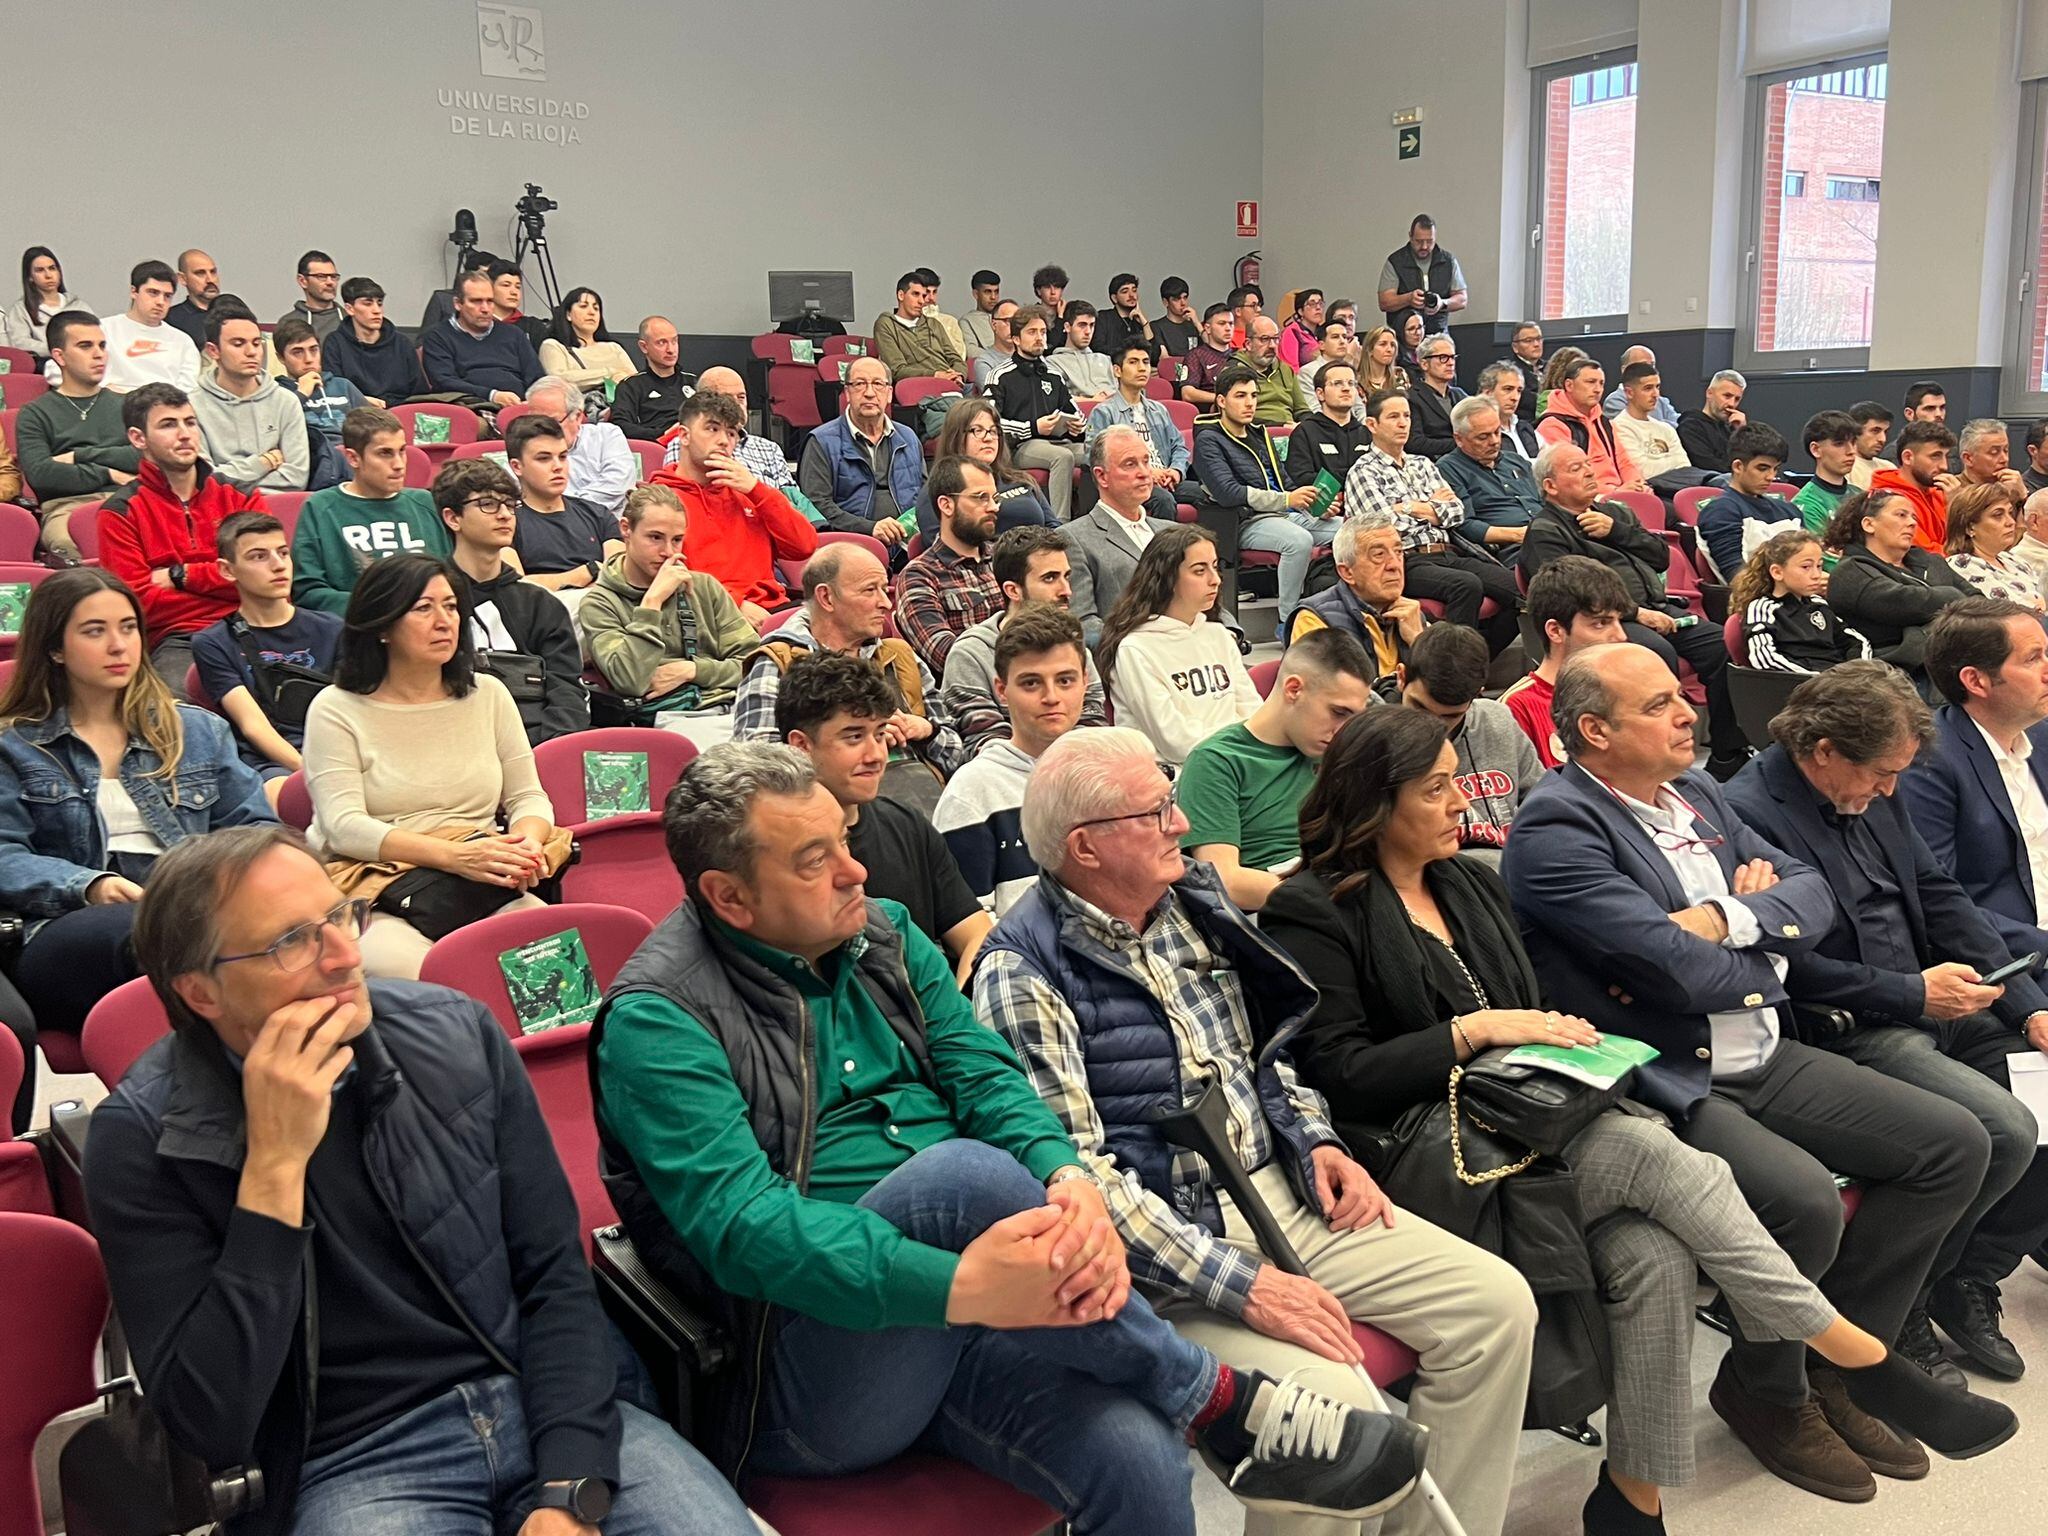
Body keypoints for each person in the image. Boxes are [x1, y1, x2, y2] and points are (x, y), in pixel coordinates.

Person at [596, 742, 1431, 1533]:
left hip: (975, 1322)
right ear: (729, 897)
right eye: (814, 862)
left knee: (1138, 1459)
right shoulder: (658, 1020)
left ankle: (1193, 1405)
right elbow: (747, 1231)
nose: (855, 870)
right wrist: (962, 1287)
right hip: (802, 1367)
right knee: (963, 1176)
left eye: (845, 840)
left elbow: (985, 1075)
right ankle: (1213, 1401)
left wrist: (1066, 1182)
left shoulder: (881, 932)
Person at [1269, 702, 2016, 1531]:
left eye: (1457, 786)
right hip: (1437, 1154)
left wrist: (1553, 1033)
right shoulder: (1313, 908)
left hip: (1538, 1120)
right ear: (1375, 799)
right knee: (1672, 1162)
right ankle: (1848, 1349)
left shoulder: (1464, 882)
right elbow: (1338, 1074)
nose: (1463, 806)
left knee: (1656, 1257)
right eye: (1438, 790)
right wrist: (1472, 1033)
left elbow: (1544, 1002)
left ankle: (1632, 1499)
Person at [86, 823, 757, 1536]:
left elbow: (554, 1279)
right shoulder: (140, 1139)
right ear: (201, 993)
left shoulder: (458, 1036)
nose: (347, 956)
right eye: (292, 942)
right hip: (354, 1461)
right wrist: (273, 1171)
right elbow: (209, 1419)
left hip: (540, 1403)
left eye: (341, 917)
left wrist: (570, 1484)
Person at [980, 726, 1532, 1536]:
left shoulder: (1192, 905)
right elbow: (1077, 1182)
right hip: (1169, 1252)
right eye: (1156, 810)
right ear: (1086, 848)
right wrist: (1248, 1287)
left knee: (1496, 1308)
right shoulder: (1022, 972)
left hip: (1277, 1186)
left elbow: (1264, 1061)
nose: (1180, 823)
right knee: (1331, 1417)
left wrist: (1319, 1142)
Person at [1504, 643, 2014, 1501]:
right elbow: (1679, 973)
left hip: (1767, 1049)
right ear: (1593, 730)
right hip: (1676, 1076)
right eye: (1660, 704)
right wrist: (1761, 939)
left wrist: (1720, 919)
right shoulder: (1557, 828)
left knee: (1957, 1145)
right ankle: (1768, 1390)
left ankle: (1838, 1370)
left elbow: (1810, 897)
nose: (1687, 714)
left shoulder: (1696, 793)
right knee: (1805, 1199)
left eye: (1681, 697)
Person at [1726, 662, 2048, 1386]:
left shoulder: (1873, 787)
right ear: (1824, 751)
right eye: (1881, 774)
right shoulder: (1745, 812)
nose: (1891, 791)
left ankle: (1962, 1278)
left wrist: (2027, 1004)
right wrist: (1911, 994)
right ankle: (1888, 1311)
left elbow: (1939, 897)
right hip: (1853, 1021)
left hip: (1937, 997)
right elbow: (1790, 966)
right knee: (2003, 1128)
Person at [0, 566, 272, 1126]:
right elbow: (4, 855)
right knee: (149, 929)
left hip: (193, 905)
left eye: (127, 626)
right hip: (64, 928)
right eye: (94, 631)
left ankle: (225, 1107)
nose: (119, 644)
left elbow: (256, 830)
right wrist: (88, 884)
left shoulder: (195, 729)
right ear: (54, 648)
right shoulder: (15, 746)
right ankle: (217, 1108)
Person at [302, 555, 556, 978]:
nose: (445, 622)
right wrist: (454, 856)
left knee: (549, 961)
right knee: (428, 978)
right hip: (380, 888)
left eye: (452, 606)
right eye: (424, 608)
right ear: (382, 626)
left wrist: (526, 844)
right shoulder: (335, 709)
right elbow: (342, 826)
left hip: (481, 878)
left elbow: (527, 796)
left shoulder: (488, 694)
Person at [1523, 441, 1746, 777]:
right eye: (1575, 468)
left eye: (1587, 463)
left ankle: (1727, 755)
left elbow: (1660, 556)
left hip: (1660, 607)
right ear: (1550, 486)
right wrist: (1634, 614)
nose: (1588, 471)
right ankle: (1656, 754)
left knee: (1721, 643)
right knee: (1654, 653)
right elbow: (1565, 596)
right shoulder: (1545, 531)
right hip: (1608, 620)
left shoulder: (1614, 513)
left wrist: (1617, 532)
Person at [771, 652, 992, 981]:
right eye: (854, 736)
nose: (876, 755)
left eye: (879, 734)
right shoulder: (772, 853)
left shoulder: (906, 824)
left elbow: (976, 935)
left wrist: (952, 1007)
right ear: (801, 746)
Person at [1179, 628, 1372, 912]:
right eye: (1338, 712)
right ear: (1294, 689)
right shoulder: (1216, 761)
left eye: (1353, 717)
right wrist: (1332, 902)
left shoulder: (1340, 751)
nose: (1343, 729)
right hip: (1276, 916)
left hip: (1345, 894)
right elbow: (1224, 881)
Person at [732, 542, 967, 775]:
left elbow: (959, 754)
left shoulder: (900, 655)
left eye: (884, 590)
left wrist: (927, 731)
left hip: (919, 798)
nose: (886, 603)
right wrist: (851, 746)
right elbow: (757, 769)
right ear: (826, 597)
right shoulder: (778, 662)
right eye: (869, 590)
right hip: (826, 806)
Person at [1902, 599, 2048, 967]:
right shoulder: (1929, 762)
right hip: (2017, 958)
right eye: (2033, 659)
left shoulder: (2042, 736)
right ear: (1976, 680)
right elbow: (1943, 904)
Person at [933, 605, 1090, 916]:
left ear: (1086, 681)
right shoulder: (972, 791)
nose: (1051, 697)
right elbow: (968, 923)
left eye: (1065, 680)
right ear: (1001, 690)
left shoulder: (1111, 771)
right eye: (1031, 683)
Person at [99, 383, 258, 687]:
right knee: (180, 716)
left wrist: (181, 576)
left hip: (256, 625)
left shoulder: (241, 496)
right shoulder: (119, 512)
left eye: (190, 422)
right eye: (168, 425)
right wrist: (231, 583)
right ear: (138, 438)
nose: (185, 434)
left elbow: (267, 578)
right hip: (179, 639)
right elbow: (138, 604)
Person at [1344, 388, 1518, 653]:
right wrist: (1433, 507)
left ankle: (1478, 660)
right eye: (1393, 417)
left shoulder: (1422, 464)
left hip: (1448, 552)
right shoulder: (1362, 471)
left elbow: (1457, 512)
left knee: (1519, 588)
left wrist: (1410, 507)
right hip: (1406, 560)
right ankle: (1451, 673)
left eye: (1406, 415)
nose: (1403, 423)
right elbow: (1384, 528)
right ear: (1372, 424)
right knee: (1466, 585)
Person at [193, 512, 347, 803]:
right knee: (286, 796)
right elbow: (254, 726)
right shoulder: (213, 643)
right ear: (228, 570)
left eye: (283, 553)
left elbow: (356, 706)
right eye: (258, 557)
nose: (278, 565)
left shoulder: (332, 628)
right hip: (271, 763)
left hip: (338, 749)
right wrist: (313, 774)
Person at [433, 458, 590, 741]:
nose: (505, 514)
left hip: (532, 744)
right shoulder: (427, 599)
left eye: (510, 504)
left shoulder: (541, 605)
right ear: (453, 518)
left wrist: (548, 754)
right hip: (448, 739)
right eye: (488, 504)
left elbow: (566, 692)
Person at [578, 481, 759, 714]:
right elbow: (630, 679)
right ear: (626, 529)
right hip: (666, 719)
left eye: (677, 540)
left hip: (733, 706)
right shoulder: (599, 603)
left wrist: (691, 670)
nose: (669, 552)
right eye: (655, 537)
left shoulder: (705, 586)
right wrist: (652, 602)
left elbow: (753, 665)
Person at [650, 389, 817, 625]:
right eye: (712, 428)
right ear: (684, 436)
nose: (723, 441)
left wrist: (756, 489)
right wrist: (734, 603)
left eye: (731, 433)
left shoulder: (750, 491)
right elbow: (663, 574)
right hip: (705, 615)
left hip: (773, 608)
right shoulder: (659, 499)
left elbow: (804, 545)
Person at [1098, 528, 1258, 765]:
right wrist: (1241, 753)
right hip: (1175, 777)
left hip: (1238, 763)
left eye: (1215, 566)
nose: (1215, 579)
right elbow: (1176, 743)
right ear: (1168, 578)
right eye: (1200, 570)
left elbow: (1254, 712)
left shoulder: (1219, 635)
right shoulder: (1135, 648)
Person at [942, 525, 1108, 752]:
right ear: (1013, 590)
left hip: (1077, 771)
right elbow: (983, 743)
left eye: (1066, 577)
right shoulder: (970, 654)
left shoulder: (1071, 644)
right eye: (1050, 578)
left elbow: (1093, 723)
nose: (1066, 590)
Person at [1395, 622, 1544, 862]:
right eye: (1420, 707)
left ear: (1477, 694)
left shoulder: (1498, 719)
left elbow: (1544, 804)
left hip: (1515, 870)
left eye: (1450, 716)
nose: (1433, 726)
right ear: (1401, 677)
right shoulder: (1375, 737)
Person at [1197, 365, 1331, 625]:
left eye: (1254, 396)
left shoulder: (1261, 435)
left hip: (1284, 515)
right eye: (1241, 396)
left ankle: (1330, 606)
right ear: (1222, 401)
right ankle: (1290, 622)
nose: (1250, 403)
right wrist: (1287, 500)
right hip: (1245, 521)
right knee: (1299, 541)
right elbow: (1228, 493)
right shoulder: (1209, 440)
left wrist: (1314, 506)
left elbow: (1285, 482)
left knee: (1349, 531)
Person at [292, 407, 452, 615]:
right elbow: (307, 592)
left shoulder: (425, 502)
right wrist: (386, 608)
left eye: (402, 451)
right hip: (359, 630)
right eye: (385, 453)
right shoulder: (321, 508)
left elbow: (452, 575)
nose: (398, 464)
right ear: (353, 458)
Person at [15, 311, 141, 554]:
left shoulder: (127, 404)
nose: (98, 354)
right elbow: (42, 474)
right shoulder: (34, 413)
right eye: (85, 346)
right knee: (71, 543)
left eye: (102, 346)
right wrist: (109, 473)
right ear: (59, 356)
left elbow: (143, 458)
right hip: (67, 507)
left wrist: (77, 456)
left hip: (130, 500)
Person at [1499, 555, 1633, 769]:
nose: (1620, 636)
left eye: (1619, 621)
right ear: (1556, 631)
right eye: (1600, 623)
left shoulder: (1623, 691)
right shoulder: (1516, 707)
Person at [1819, 489, 1972, 674]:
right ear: (1869, 524)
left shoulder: (1931, 561)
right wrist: (1954, 596)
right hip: (1895, 675)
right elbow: (1909, 604)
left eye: (1913, 517)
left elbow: (1977, 599)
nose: (1912, 523)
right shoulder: (1850, 573)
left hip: (1951, 663)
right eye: (1901, 515)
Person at [1066, 427, 1187, 646]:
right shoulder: (1073, 538)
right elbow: (1083, 624)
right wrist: (1141, 650)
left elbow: (1205, 592)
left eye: (1146, 461)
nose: (1144, 472)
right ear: (1101, 476)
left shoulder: (1171, 531)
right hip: (1131, 660)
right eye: (1130, 464)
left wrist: (1228, 632)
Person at [1283, 511, 1425, 690]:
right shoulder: (1316, 619)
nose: (1394, 565)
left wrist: (1419, 641)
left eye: (1398, 552)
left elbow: (1444, 693)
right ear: (1347, 572)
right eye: (1379, 555)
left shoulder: (1411, 613)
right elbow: (1328, 701)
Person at [893, 454, 1004, 674]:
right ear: (946, 505)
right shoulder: (919, 576)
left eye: (995, 498)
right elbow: (949, 657)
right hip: (970, 698)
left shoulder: (1006, 559)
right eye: (981, 497)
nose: (993, 507)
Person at [800, 354, 923, 542]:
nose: (869, 393)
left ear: (889, 393)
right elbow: (817, 506)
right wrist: (869, 528)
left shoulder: (908, 438)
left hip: (907, 545)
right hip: (850, 546)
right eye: (859, 384)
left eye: (877, 384)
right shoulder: (821, 441)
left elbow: (925, 496)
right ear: (847, 393)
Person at [987, 306, 1088, 523]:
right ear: (1015, 338)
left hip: (1059, 440)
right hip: (1021, 446)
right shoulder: (1000, 375)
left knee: (1097, 452)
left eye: (1042, 332)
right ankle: (1061, 524)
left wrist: (1078, 426)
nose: (1039, 338)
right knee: (1063, 457)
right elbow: (990, 424)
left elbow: (1075, 411)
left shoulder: (1053, 374)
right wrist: (1033, 427)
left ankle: (1092, 517)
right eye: (1032, 332)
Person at [193, 308, 310, 493]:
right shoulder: (192, 407)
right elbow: (204, 479)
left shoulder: (286, 401)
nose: (251, 352)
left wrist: (232, 485)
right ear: (214, 350)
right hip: (218, 512)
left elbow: (296, 477)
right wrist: (263, 463)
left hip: (274, 510)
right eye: (238, 344)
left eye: (256, 343)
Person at [1733, 529, 1870, 674]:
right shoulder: (1762, 608)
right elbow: (1765, 658)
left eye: (1819, 566)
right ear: (1777, 572)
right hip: (1800, 685)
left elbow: (1855, 641)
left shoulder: (1819, 604)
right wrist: (1819, 679)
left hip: (1839, 679)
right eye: (1806, 567)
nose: (1816, 575)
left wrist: (1858, 671)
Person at [917, 395, 1055, 538]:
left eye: (993, 431)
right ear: (956, 437)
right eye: (977, 430)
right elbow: (946, 549)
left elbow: (1055, 528)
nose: (988, 438)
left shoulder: (1021, 480)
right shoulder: (936, 492)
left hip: (1042, 554)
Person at [1087, 339, 1191, 519]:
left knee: (1211, 494)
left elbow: (1179, 446)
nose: (1142, 368)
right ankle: (1163, 548)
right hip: (1133, 482)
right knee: (1164, 500)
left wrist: (1175, 471)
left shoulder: (1158, 410)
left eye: (1145, 362)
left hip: (1166, 478)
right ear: (1117, 370)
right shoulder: (1104, 412)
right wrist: (1148, 472)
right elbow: (1094, 456)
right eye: (1133, 362)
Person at [420, 270, 543, 407]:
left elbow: (536, 378)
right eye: (476, 301)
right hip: (470, 406)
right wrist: (492, 395)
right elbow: (444, 381)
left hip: (520, 406)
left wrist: (534, 400)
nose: (485, 308)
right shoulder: (438, 336)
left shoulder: (514, 334)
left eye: (490, 301)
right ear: (457, 304)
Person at [672, 365, 798, 497]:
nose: (737, 405)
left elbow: (796, 504)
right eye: (727, 398)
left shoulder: (770, 449)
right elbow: (679, 499)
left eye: (741, 397)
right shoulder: (686, 443)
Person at [1438, 395, 1542, 555]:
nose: (1494, 441)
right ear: (1459, 439)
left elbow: (1546, 502)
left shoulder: (1516, 461)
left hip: (1549, 534)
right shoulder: (1448, 469)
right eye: (1483, 437)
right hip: (1514, 548)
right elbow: (1464, 525)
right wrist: (1517, 535)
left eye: (1497, 432)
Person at [274, 317, 365, 488]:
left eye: (314, 350)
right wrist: (301, 394)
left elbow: (372, 427)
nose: (308, 359)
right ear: (281, 358)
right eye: (297, 352)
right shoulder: (277, 393)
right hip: (313, 462)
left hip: (352, 456)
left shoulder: (342, 385)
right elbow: (273, 431)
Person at [525, 375, 635, 515]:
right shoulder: (525, 448)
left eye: (551, 421)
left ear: (577, 417)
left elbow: (617, 483)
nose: (541, 429)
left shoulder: (607, 435)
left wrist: (568, 510)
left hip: (610, 524)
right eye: (534, 421)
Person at [1698, 423, 1795, 581]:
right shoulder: (1721, 511)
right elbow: (1737, 577)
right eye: (1762, 468)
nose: (1771, 476)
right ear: (1738, 466)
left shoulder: (1791, 511)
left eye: (1775, 469)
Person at [1538, 358, 1646, 496]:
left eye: (1601, 383)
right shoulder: (1552, 425)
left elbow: (1624, 462)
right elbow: (1569, 478)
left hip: (1618, 492)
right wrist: (1615, 492)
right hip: (1587, 497)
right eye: (1590, 382)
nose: (1597, 389)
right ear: (1569, 385)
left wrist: (1637, 485)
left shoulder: (1603, 421)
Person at [319, 277, 429, 406]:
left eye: (380, 303)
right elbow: (336, 392)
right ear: (350, 309)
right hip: (358, 414)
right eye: (368, 303)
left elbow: (420, 393)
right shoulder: (335, 343)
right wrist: (361, 400)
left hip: (401, 411)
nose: (377, 310)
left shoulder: (402, 343)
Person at [101, 260, 201, 394]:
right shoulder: (103, 329)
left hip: (166, 406)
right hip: (114, 403)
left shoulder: (183, 341)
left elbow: (188, 388)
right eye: (153, 292)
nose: (160, 302)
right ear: (134, 292)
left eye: (167, 296)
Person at [1283, 361, 1370, 510]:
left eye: (1351, 383)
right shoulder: (1305, 432)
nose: (1346, 389)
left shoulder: (1367, 433)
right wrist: (1354, 478)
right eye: (1337, 383)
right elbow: (1301, 477)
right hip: (1323, 511)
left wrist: (1333, 478)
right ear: (1320, 393)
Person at [1945, 482, 2046, 610]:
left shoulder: (2014, 560)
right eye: (1998, 515)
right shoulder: (1961, 564)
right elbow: (2014, 612)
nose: (2011, 522)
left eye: (2010, 513)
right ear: (1970, 527)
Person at [1870, 420, 1958, 554]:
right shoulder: (1886, 500)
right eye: (1935, 456)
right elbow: (1925, 556)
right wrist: (1955, 510)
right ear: (1908, 457)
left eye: (1946, 456)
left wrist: (1956, 506)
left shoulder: (1942, 493)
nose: (1944, 466)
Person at [872, 270, 967, 387]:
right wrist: (936, 375)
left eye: (923, 296)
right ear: (901, 295)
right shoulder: (886, 324)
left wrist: (958, 375)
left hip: (954, 384)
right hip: (921, 387)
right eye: (915, 294)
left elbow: (956, 359)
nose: (922, 301)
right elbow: (897, 370)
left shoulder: (933, 324)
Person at [536, 285, 637, 395]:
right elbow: (558, 380)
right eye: (583, 306)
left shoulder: (613, 347)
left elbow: (636, 382)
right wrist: (610, 373)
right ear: (568, 314)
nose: (591, 312)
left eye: (596, 308)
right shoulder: (553, 346)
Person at [1377, 213, 1467, 335]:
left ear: (1435, 237)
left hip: (1438, 334)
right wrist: (1408, 299)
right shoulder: (1395, 262)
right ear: (1410, 236)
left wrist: (1442, 303)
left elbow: (1462, 299)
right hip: (1403, 336)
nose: (1424, 246)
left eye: (1429, 241)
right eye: (1419, 241)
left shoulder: (1448, 261)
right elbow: (1384, 302)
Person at [610, 315, 693, 441]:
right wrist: (663, 434)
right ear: (644, 347)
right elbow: (621, 426)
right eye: (661, 342)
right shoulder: (631, 386)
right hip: (657, 446)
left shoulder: (694, 382)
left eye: (674, 341)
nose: (671, 349)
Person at [1609, 363, 1693, 484]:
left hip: (1682, 484)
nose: (1655, 394)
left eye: (1657, 387)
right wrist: (1673, 462)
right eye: (1648, 388)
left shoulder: (1666, 428)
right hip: (1653, 490)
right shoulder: (1619, 427)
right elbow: (1644, 472)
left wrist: (1665, 466)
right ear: (1629, 393)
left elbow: (1685, 467)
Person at [3, 245, 86, 359]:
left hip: (80, 362)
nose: (48, 275)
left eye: (52, 268)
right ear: (30, 277)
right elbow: (20, 343)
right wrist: (59, 350)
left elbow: (97, 333)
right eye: (40, 270)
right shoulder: (21, 310)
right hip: (44, 365)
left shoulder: (78, 305)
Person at [1793, 411, 1860, 537]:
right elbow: (1822, 554)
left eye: (1853, 443)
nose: (1851, 451)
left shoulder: (1860, 495)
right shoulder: (1807, 504)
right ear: (1816, 450)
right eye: (1839, 444)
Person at [1404, 334, 1465, 459]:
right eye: (1443, 358)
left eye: (1453, 357)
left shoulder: (1460, 395)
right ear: (1424, 364)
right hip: (1433, 463)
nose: (1451, 363)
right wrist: (1461, 444)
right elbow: (1415, 443)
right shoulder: (1412, 398)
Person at [1677, 370, 1749, 474]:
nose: (1732, 404)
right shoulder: (1690, 427)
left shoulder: (1733, 429)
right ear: (1709, 393)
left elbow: (1750, 462)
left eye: (1737, 399)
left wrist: (1742, 432)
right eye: (1727, 396)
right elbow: (1707, 465)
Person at [1945, 419, 2029, 507]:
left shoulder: (2011, 487)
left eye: (2006, 450)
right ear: (1968, 458)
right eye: (1994, 452)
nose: (2004, 459)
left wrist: (2023, 495)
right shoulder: (1952, 490)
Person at [1050, 302, 1115, 412]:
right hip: (1081, 418)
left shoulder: (1105, 360)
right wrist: (1092, 401)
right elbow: (1056, 399)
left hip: (1116, 415)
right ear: (1067, 327)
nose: (1088, 332)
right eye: (1082, 325)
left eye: (1092, 325)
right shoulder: (1053, 362)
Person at [1179, 302, 1240, 411]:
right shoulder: (1196, 355)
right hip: (1214, 414)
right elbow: (1187, 393)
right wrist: (1224, 399)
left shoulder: (1241, 355)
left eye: (1231, 324)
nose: (1228, 328)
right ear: (1207, 328)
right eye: (1222, 323)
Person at [1476, 360, 1542, 460]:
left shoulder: (1525, 428)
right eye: (1508, 389)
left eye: (1519, 391)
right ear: (1487, 393)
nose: (1515, 397)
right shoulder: (1479, 434)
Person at [273, 249, 341, 340]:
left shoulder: (350, 319)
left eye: (333, 277)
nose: (330, 282)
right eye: (321, 277)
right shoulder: (288, 323)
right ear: (303, 281)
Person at [1600, 345, 1677, 424]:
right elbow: (1634, 426)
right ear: (1625, 370)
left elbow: (1679, 425)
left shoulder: (1661, 400)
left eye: (1652, 365)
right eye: (1642, 365)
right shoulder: (1614, 401)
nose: (1649, 369)